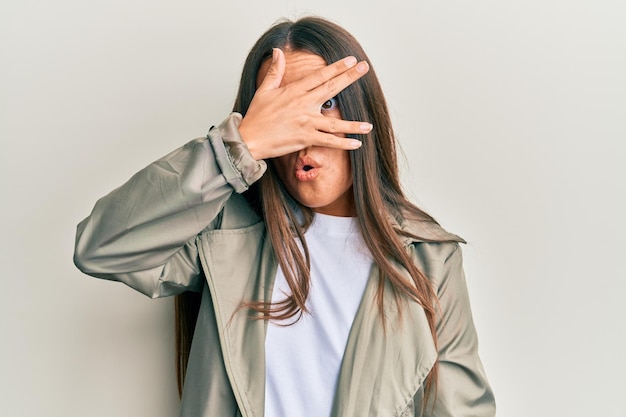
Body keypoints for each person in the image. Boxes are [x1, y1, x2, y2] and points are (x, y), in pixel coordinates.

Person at [73, 16, 495, 417]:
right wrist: (237, 149)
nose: (302, 130)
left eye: (323, 103)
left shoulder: (428, 257)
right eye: (280, 111)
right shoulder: (223, 233)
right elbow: (101, 248)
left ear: (360, 110)